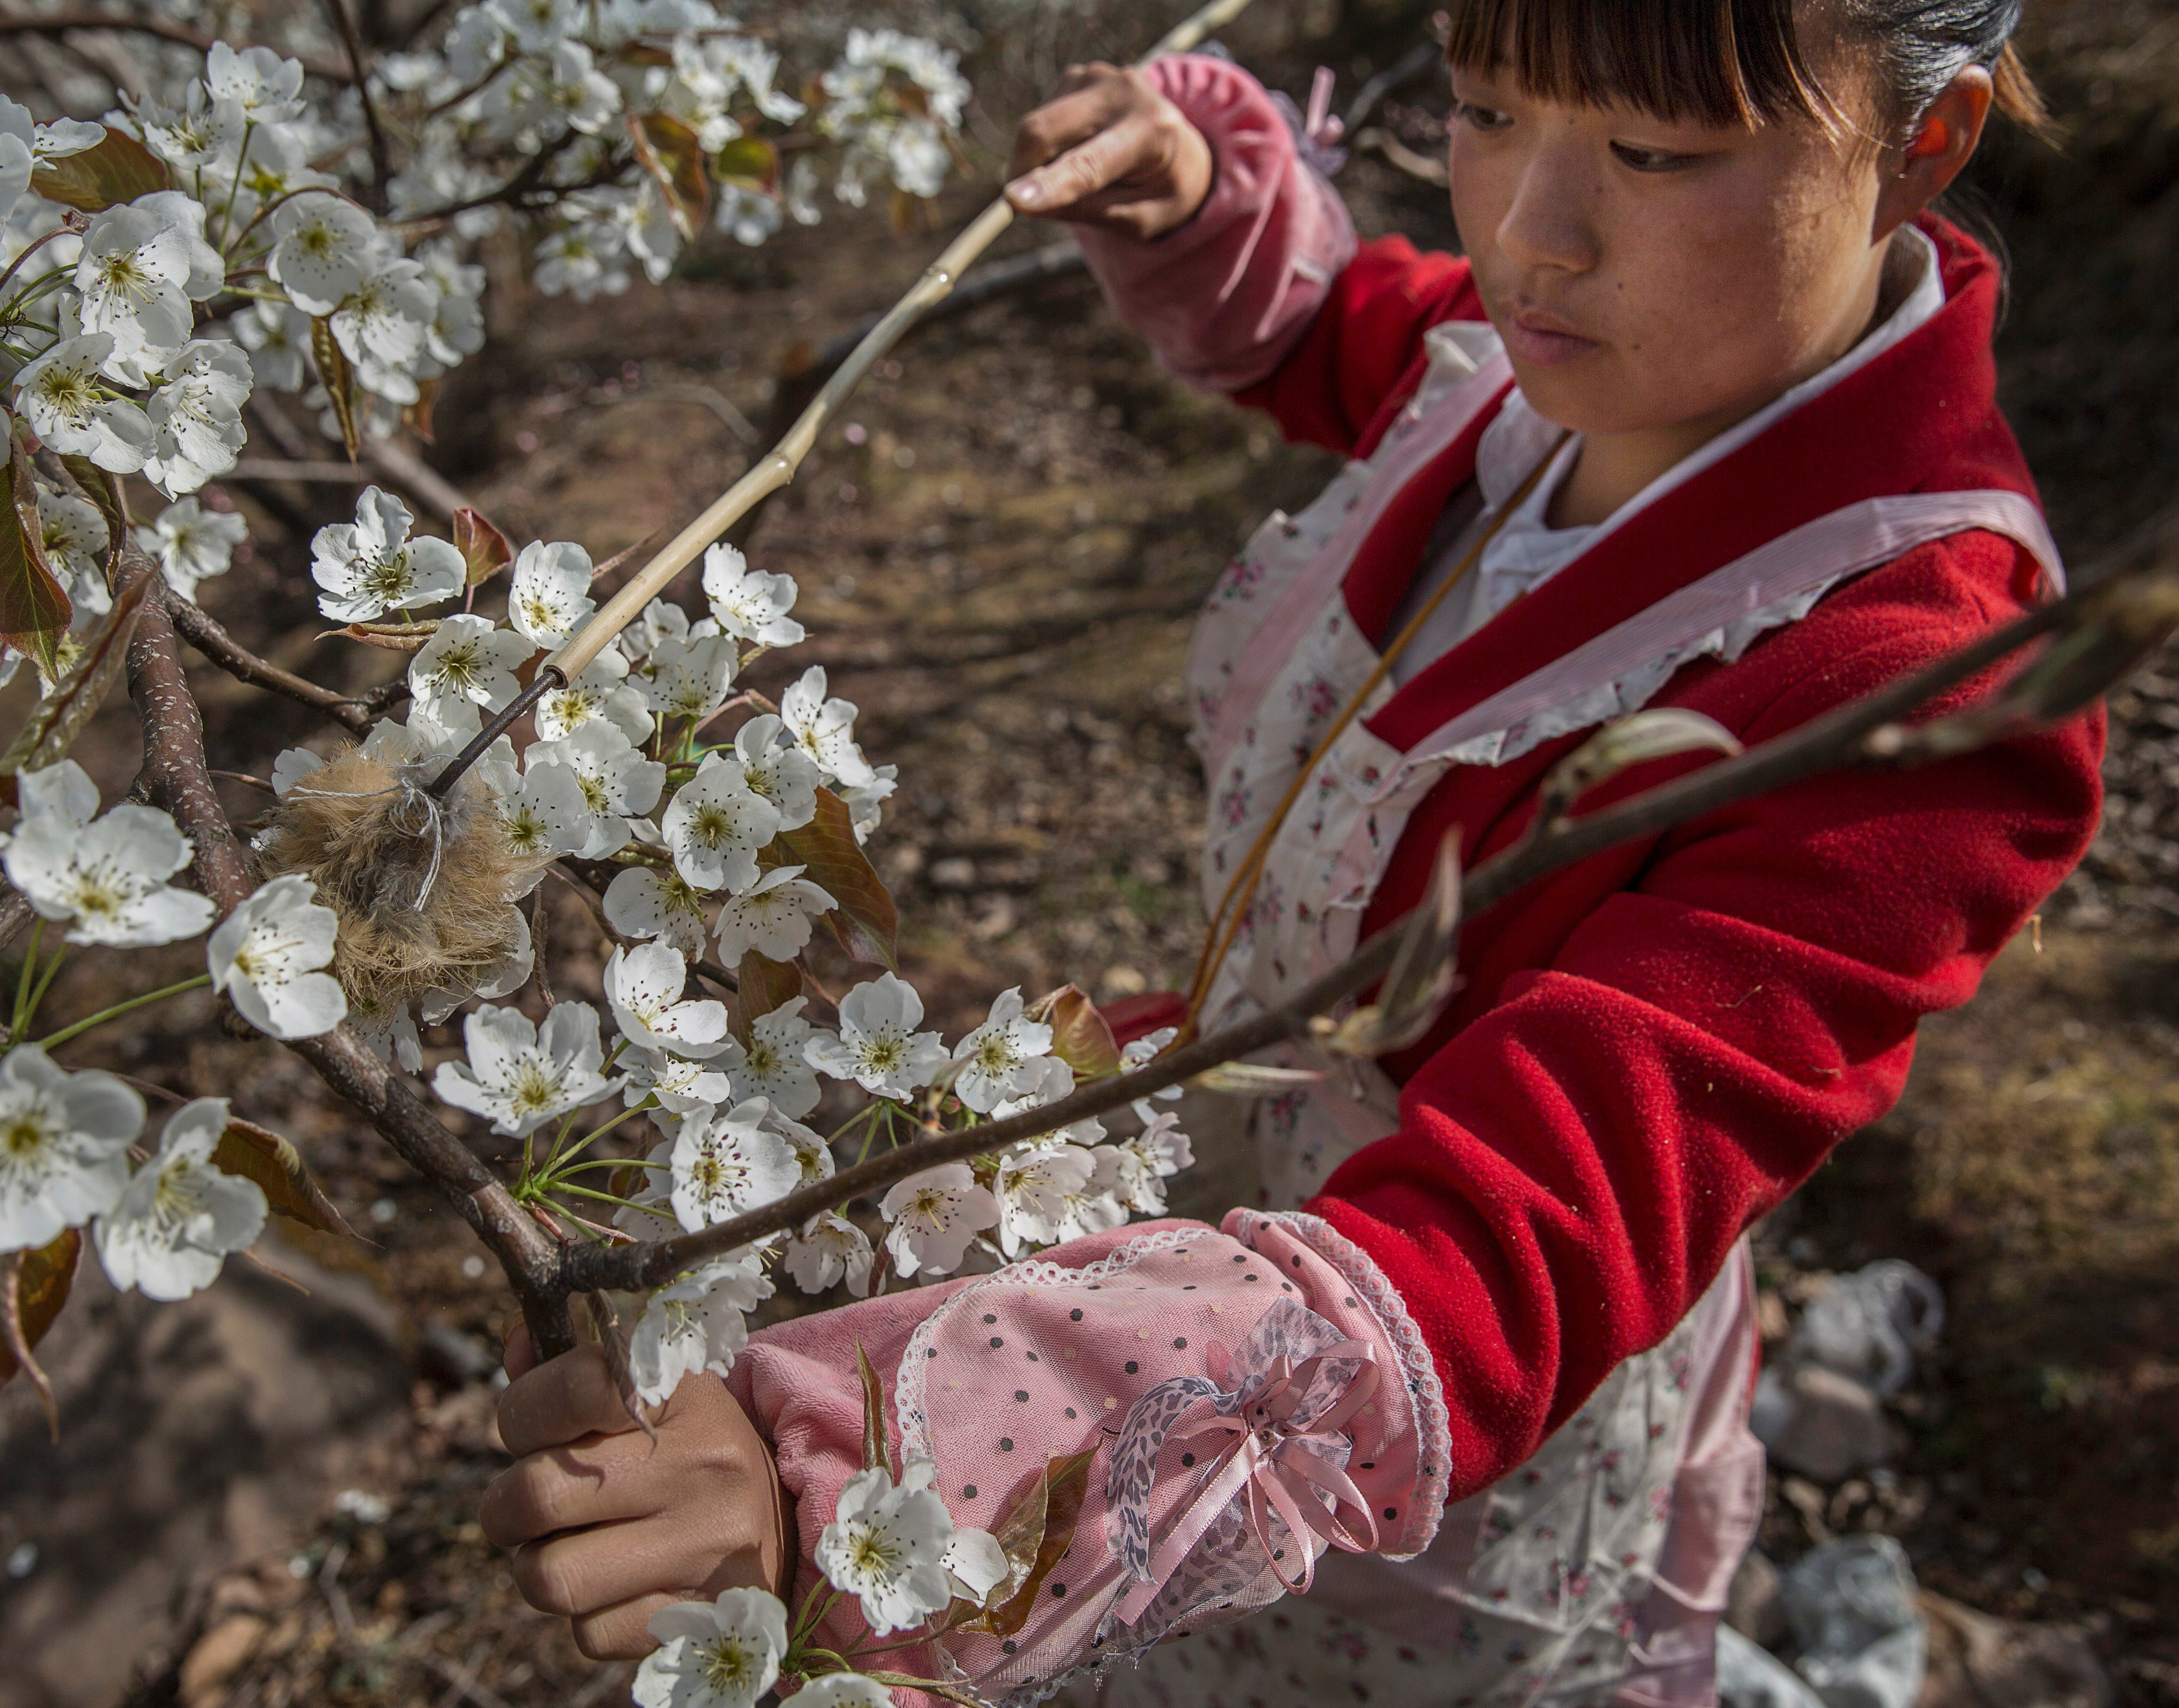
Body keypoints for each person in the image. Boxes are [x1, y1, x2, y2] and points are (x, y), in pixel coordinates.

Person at [481, 1, 2105, 1702]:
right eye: (1485, 113)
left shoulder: (1919, 683)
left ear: (1924, 141)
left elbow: (1524, 1230)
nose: (1529, 238)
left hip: (1388, 1427)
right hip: (1202, 1190)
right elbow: (1366, 346)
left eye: (1654, 154)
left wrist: (880, 1456)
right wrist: (1198, 198)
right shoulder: (1557, 366)